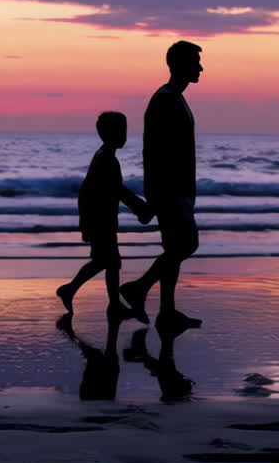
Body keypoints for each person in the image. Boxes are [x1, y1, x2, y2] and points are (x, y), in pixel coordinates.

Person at [119, 40, 203, 334]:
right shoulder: (165, 100)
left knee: (174, 248)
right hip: (170, 189)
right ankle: (139, 287)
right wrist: (162, 194)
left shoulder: (175, 98)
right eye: (195, 62)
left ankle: (167, 311)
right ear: (178, 65)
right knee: (187, 244)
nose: (201, 68)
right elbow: (158, 152)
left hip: (177, 188)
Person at [56, 111, 151, 320]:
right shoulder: (106, 159)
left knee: (104, 262)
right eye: (122, 131)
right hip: (100, 220)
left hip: (102, 218)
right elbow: (116, 191)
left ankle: (75, 291)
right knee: (110, 262)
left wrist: (140, 207)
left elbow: (111, 190)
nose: (125, 135)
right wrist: (141, 208)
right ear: (111, 133)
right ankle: (108, 303)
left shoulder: (104, 157)